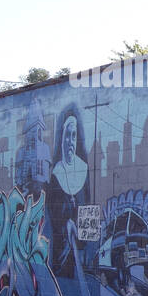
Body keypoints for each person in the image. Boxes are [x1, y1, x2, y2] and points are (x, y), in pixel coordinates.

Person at [45, 106, 88, 279]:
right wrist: (65, 223)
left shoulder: (83, 169)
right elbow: (53, 213)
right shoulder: (56, 173)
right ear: (61, 138)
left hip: (77, 250)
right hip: (60, 248)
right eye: (67, 135)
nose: (70, 141)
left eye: (74, 135)